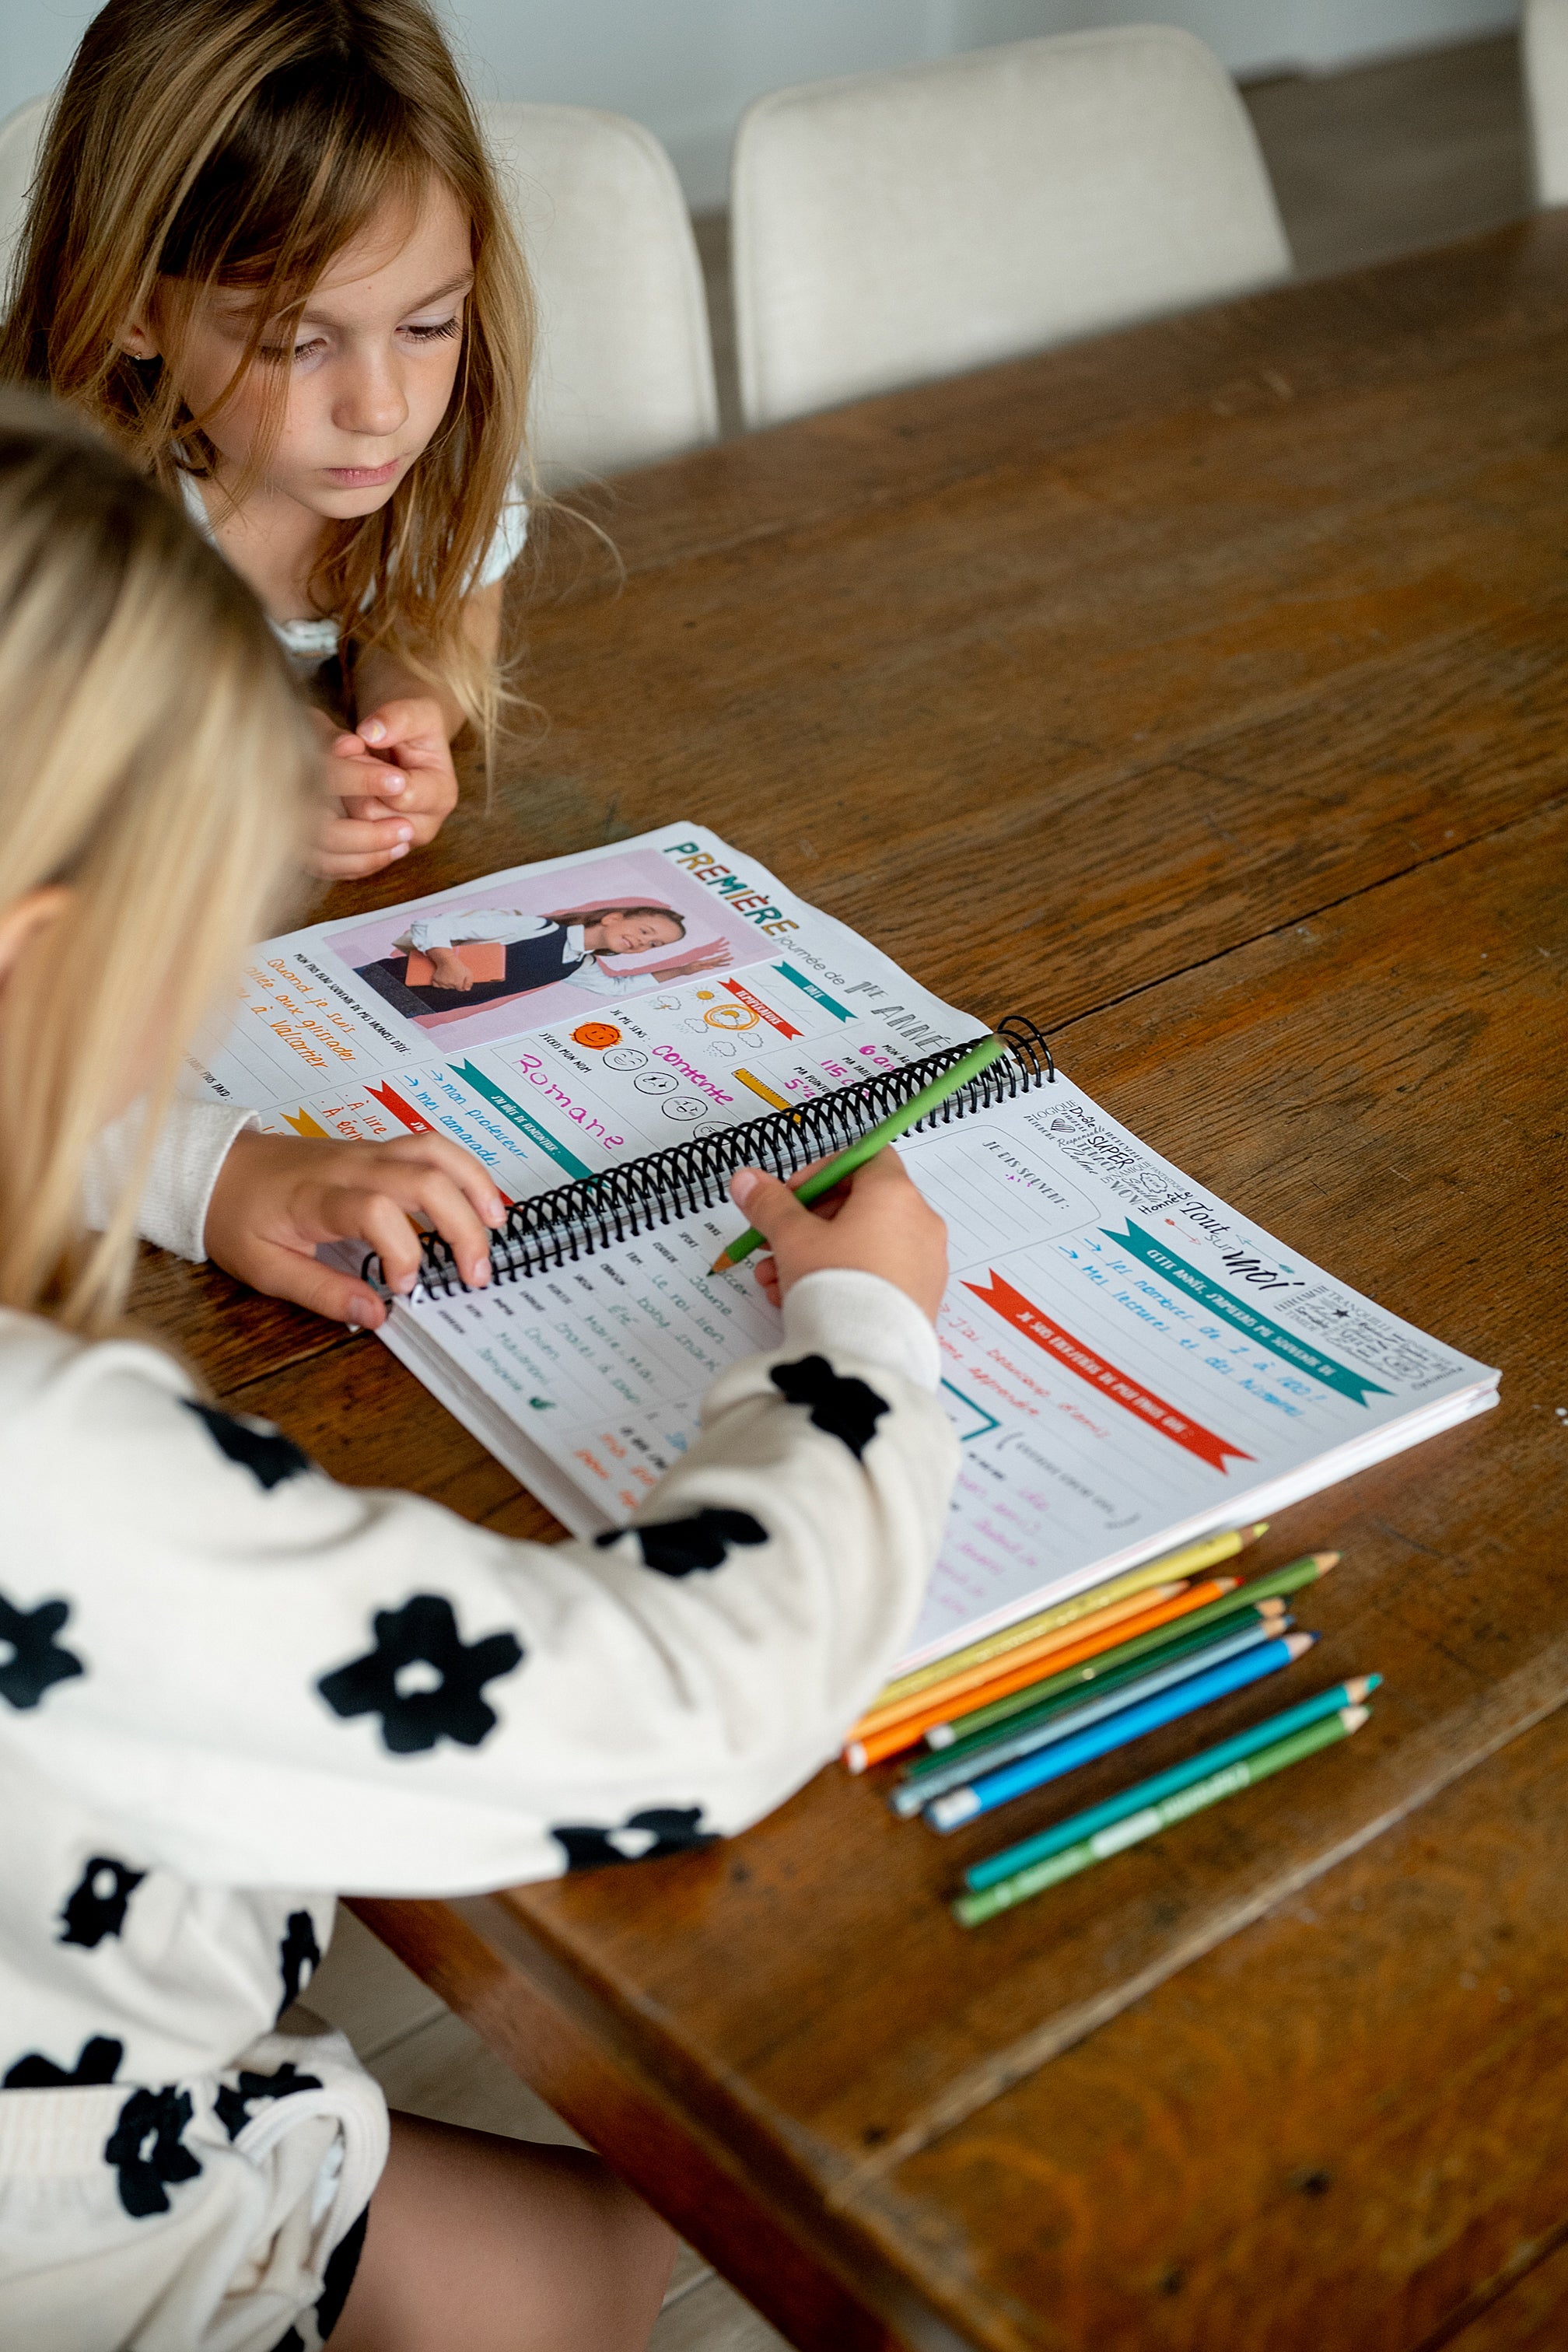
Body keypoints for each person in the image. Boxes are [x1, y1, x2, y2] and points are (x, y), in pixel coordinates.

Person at [0, 394, 956, 2352]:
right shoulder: (56, 1489)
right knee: (668, 2250)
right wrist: (867, 1345)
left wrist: (204, 1161)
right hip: (86, 2229)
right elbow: (691, 1703)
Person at [0, 0, 533, 883]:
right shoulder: (61, 511)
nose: (382, 407)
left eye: (429, 325)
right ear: (136, 309)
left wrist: (409, 714)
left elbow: (447, 622)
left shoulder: (449, 450)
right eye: (296, 345)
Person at [355, 902, 733, 1020]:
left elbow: (618, 988)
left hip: (412, 1010)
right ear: (614, 918)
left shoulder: (578, 965)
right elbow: (431, 925)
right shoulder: (536, 928)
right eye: (647, 930)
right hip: (379, 982)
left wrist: (681, 970)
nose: (645, 943)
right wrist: (445, 962)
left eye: (654, 946)